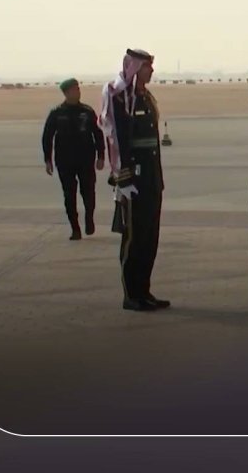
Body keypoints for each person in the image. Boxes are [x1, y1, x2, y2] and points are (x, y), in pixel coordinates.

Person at [102, 48, 170, 312]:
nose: (151, 71)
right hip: (133, 181)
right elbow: (116, 140)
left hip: (151, 179)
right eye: (146, 67)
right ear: (134, 68)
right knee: (134, 238)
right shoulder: (120, 97)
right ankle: (131, 294)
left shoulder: (145, 97)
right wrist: (124, 178)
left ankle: (144, 290)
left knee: (150, 237)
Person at [41, 78, 105, 240]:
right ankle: (75, 229)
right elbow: (47, 136)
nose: (78, 92)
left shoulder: (87, 111)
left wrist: (101, 156)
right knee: (69, 195)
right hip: (65, 161)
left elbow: (98, 134)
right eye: (75, 89)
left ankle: (89, 218)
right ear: (66, 93)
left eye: (78, 89)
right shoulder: (57, 113)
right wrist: (47, 159)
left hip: (86, 159)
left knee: (88, 192)